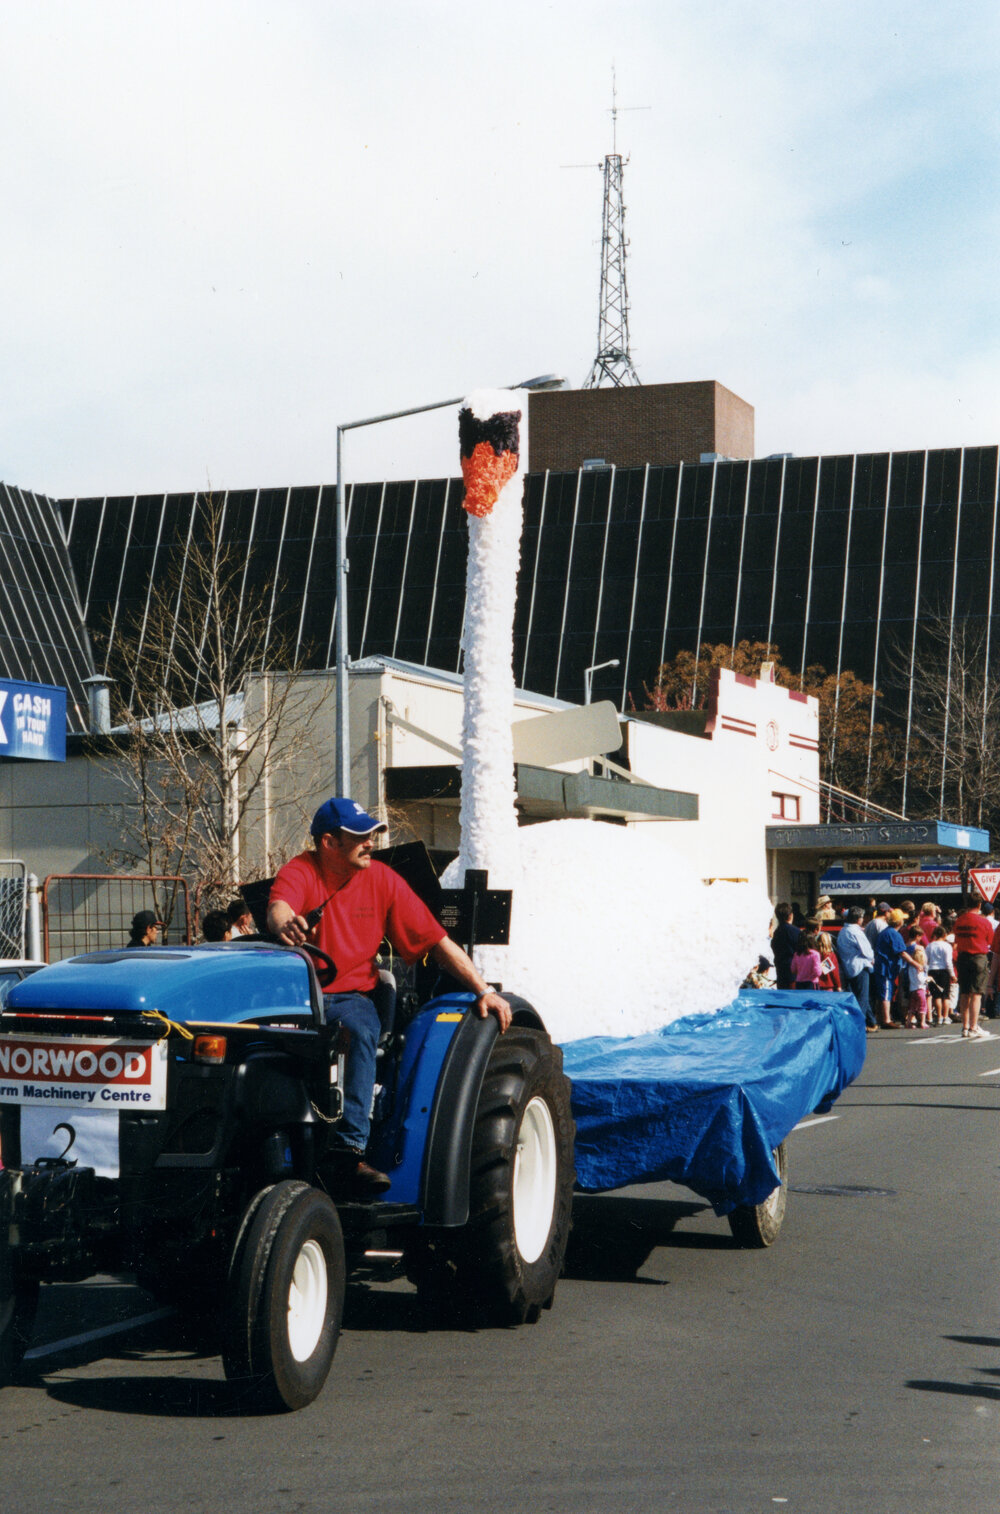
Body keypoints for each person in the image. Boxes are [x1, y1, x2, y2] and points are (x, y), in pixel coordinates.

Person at [267, 796, 513, 1195]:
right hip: (297, 996)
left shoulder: (382, 879)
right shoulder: (301, 869)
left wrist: (483, 989)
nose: (371, 843)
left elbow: (436, 940)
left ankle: (349, 1152)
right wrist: (285, 924)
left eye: (372, 834)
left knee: (360, 1030)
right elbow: (279, 906)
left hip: (350, 996)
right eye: (361, 836)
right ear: (329, 842)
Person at [952, 899, 994, 1040]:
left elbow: (956, 938)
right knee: (976, 993)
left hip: (963, 957)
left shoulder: (959, 921)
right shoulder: (984, 922)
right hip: (978, 957)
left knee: (964, 993)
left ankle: (965, 1027)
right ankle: (973, 1026)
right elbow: (989, 941)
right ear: (979, 905)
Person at [835, 906, 876, 1030]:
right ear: (858, 919)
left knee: (861, 995)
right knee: (862, 997)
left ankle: (872, 1021)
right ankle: (859, 1023)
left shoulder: (843, 931)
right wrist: (871, 958)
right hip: (860, 966)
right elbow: (867, 951)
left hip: (848, 966)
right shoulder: (856, 932)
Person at [872, 909, 906, 1028]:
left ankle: (881, 1017)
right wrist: (915, 963)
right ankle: (886, 1020)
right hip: (885, 968)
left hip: (885, 967)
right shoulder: (893, 933)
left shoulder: (886, 932)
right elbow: (901, 951)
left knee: (884, 992)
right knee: (885, 993)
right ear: (899, 921)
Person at [926, 925, 956, 1025]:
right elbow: (948, 962)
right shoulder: (947, 946)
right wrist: (952, 974)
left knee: (936, 995)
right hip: (944, 971)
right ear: (944, 935)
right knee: (945, 995)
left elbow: (927, 960)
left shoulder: (930, 946)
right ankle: (945, 1016)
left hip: (932, 970)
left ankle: (939, 1017)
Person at [901, 928, 930, 1028]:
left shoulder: (904, 946)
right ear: (917, 936)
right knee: (922, 1002)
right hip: (919, 975)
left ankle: (908, 1019)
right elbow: (925, 961)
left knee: (910, 1001)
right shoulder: (919, 948)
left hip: (907, 972)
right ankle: (922, 1020)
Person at [770, 903, 801, 990]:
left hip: (780, 969)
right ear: (791, 915)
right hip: (794, 971)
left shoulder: (777, 932)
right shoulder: (796, 931)